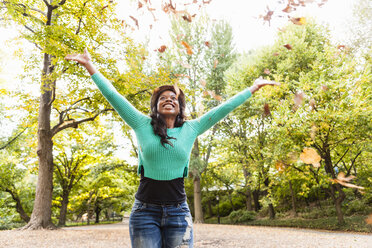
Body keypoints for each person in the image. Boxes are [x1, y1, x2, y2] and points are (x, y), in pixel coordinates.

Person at [65, 48, 279, 248]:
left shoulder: (191, 128)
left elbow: (224, 108)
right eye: (163, 98)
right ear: (156, 106)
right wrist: (89, 66)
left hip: (178, 212)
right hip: (144, 212)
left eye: (174, 98)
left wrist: (254, 87)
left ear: (180, 107)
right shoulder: (142, 124)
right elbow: (114, 96)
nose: (169, 100)